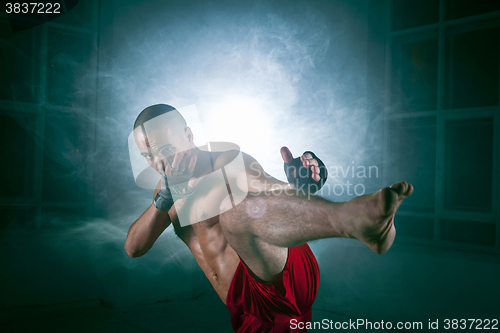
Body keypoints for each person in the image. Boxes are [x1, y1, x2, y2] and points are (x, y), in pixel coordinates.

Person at [124, 104, 413, 332]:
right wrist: (164, 199)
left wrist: (301, 186)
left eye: (165, 150)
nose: (159, 163)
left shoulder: (227, 162)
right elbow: (134, 248)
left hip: (281, 276)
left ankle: (353, 219)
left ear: (188, 135)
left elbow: (272, 189)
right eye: (148, 155)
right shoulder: (165, 192)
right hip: (247, 308)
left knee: (235, 214)